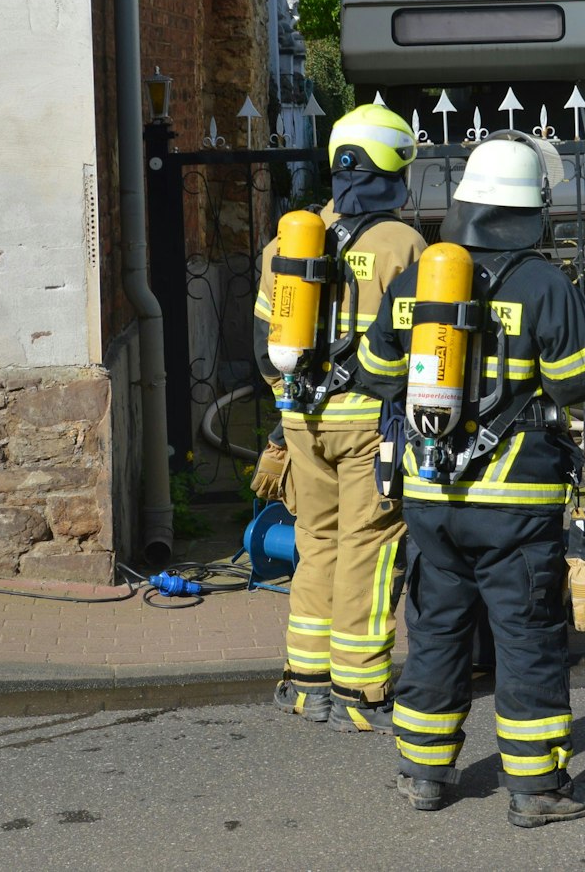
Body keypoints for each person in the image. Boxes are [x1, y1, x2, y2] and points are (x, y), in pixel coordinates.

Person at [359, 133, 585, 828]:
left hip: (430, 498)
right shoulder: (541, 283)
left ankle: (422, 772)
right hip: (514, 504)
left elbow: (372, 371)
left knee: (438, 627)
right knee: (527, 637)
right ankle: (536, 789)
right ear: (531, 210)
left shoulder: (420, 278)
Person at [251, 103, 427, 733]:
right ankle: (360, 684)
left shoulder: (287, 241)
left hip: (301, 420)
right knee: (370, 547)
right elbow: (419, 347)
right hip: (369, 425)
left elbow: (260, 344)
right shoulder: (402, 243)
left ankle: (304, 680)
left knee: (314, 541)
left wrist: (290, 407)